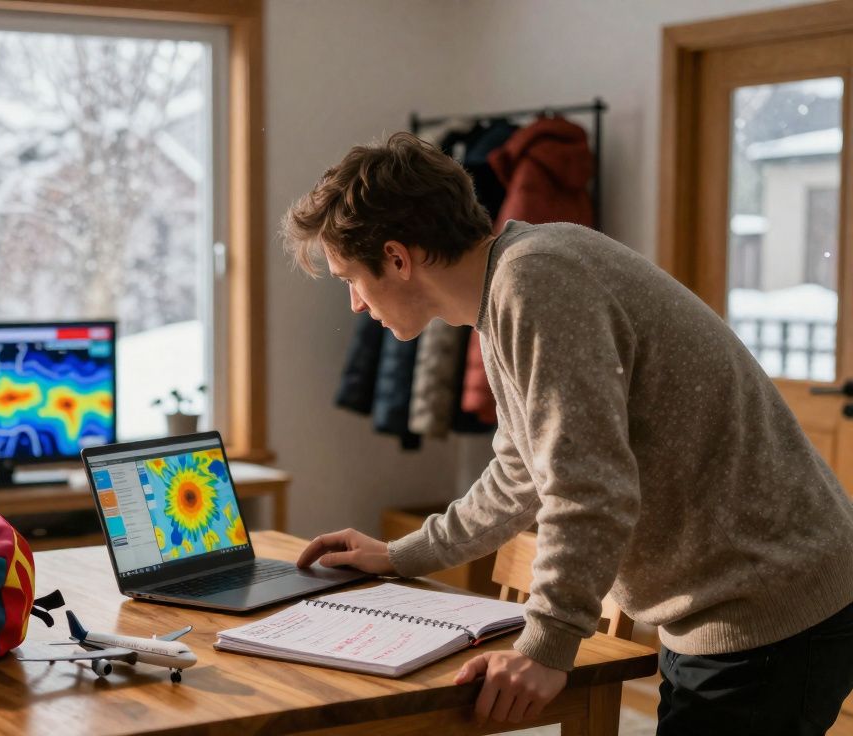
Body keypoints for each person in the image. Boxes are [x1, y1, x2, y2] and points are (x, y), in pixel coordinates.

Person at [284, 131, 853, 734]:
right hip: (731, 606)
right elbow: (520, 474)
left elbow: (590, 487)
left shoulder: (535, 283)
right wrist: (402, 554)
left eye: (350, 277)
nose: (353, 303)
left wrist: (546, 646)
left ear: (398, 258)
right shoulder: (513, 280)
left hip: (770, 607)